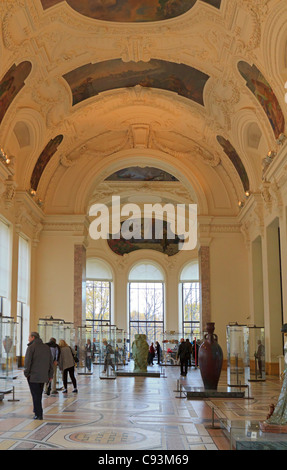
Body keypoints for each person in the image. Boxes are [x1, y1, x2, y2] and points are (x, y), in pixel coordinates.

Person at [24, 332, 54, 420]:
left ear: (33, 337)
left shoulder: (31, 347)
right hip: (43, 376)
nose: (28, 338)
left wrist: (26, 373)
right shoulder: (46, 347)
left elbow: (27, 362)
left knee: (35, 395)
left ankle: (38, 413)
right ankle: (36, 410)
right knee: (39, 394)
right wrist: (50, 374)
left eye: (29, 337)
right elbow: (50, 362)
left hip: (33, 376)